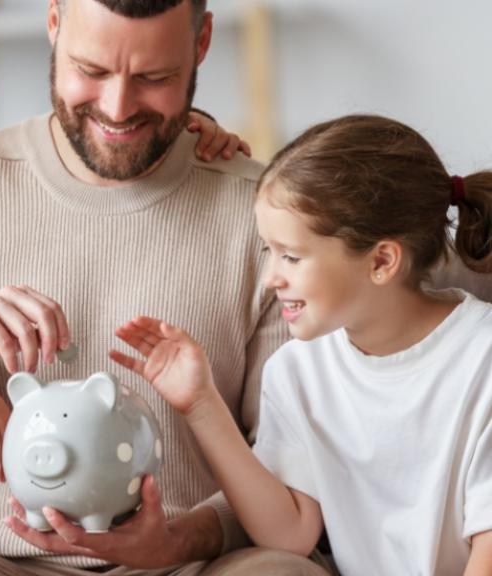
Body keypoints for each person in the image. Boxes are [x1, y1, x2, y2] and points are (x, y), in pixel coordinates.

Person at [0, 0, 332, 573]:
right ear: (53, 24)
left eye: (154, 77)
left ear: (201, 43)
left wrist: (179, 539)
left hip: (191, 561)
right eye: (91, 71)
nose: (117, 108)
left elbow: (295, 478)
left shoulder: (264, 217)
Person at [110, 114, 492, 575]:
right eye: (267, 251)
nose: (270, 278)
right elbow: (290, 534)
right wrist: (201, 404)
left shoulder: (481, 359)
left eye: (290, 256)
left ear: (382, 261)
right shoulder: (297, 370)